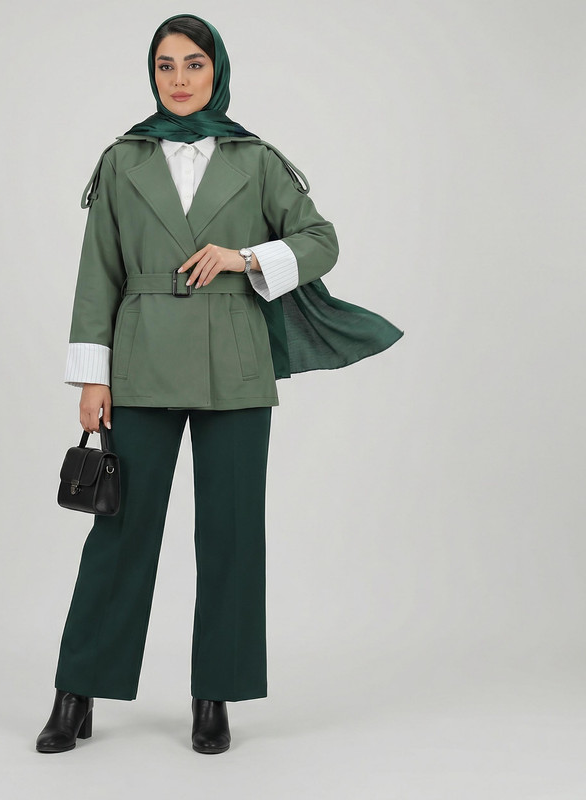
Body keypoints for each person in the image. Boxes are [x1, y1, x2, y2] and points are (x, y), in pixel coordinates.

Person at [36, 13, 402, 755]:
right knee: (121, 529)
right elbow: (97, 271)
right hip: (140, 360)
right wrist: (91, 378)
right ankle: (76, 693)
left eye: (194, 64)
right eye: (166, 65)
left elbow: (321, 240)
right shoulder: (122, 159)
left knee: (232, 534)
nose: (179, 80)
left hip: (235, 361)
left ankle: (216, 695)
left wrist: (244, 258)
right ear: (152, 73)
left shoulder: (255, 158)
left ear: (217, 70)